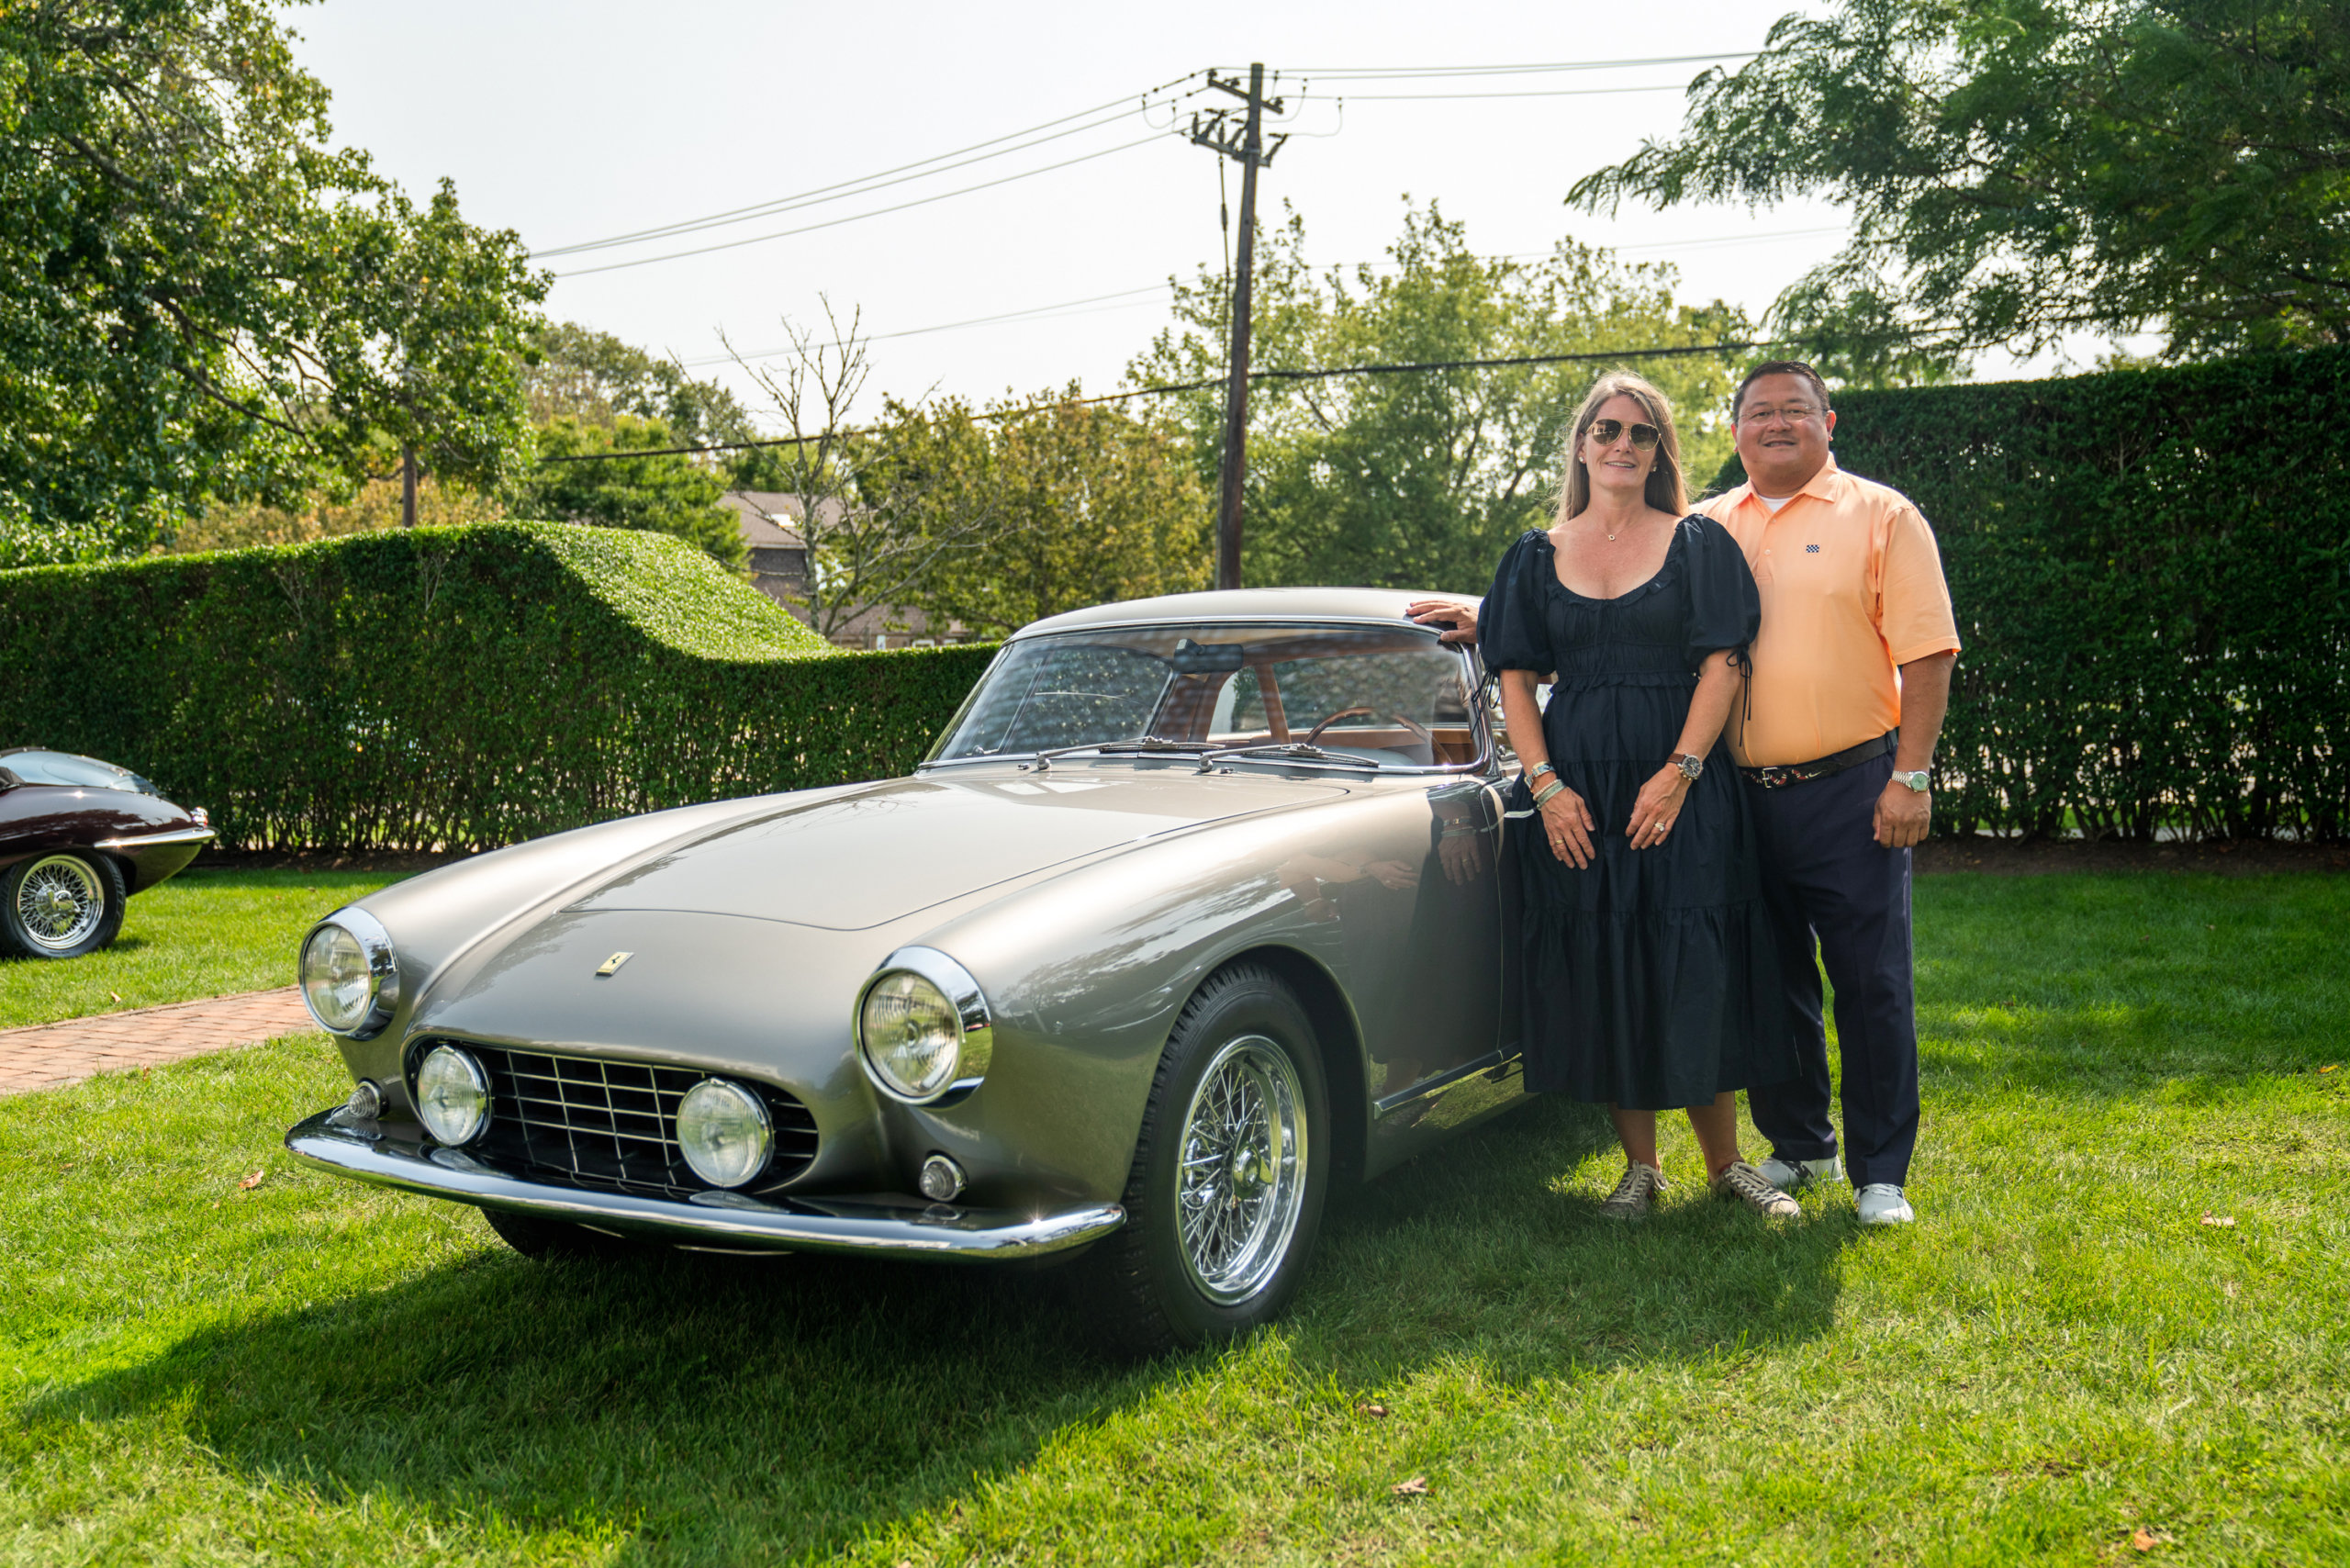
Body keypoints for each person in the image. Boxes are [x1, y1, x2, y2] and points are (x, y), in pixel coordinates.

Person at [1467, 372, 1798, 1221]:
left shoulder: (1697, 543)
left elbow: (1724, 661)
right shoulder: (1533, 556)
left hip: (1681, 785)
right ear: (1582, 444)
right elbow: (1513, 679)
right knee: (1609, 958)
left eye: (1642, 433)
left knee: (1695, 961)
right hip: (1577, 792)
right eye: (1608, 429)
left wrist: (1680, 772)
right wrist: (1546, 790)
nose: (1623, 444)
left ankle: (1727, 1167)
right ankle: (1640, 1172)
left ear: (1660, 453)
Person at [1692, 361, 1959, 1226]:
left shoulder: (1883, 516)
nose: (1776, 423)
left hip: (1852, 789)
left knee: (1870, 983)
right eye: (1758, 412)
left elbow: (1928, 652)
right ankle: (1803, 1144)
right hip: (1736, 798)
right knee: (1768, 982)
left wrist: (1909, 777)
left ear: (1828, 422)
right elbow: (1614, 611)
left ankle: (1882, 1173)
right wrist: (1499, 623)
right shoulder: (1700, 528)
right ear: (1734, 431)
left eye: (1795, 410)